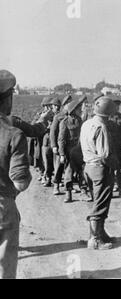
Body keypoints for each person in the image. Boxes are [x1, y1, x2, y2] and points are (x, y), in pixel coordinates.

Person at [0, 70, 32, 278]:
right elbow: (20, 183)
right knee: (6, 263)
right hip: (3, 206)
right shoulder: (13, 134)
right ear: (7, 98)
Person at [80, 96, 118, 250]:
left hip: (88, 167)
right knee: (100, 204)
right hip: (100, 168)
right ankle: (95, 240)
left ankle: (100, 233)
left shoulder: (87, 124)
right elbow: (105, 155)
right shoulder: (101, 127)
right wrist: (115, 165)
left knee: (97, 201)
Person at [58, 97, 84, 203]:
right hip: (69, 151)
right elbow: (61, 139)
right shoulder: (64, 122)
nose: (80, 110)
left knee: (82, 171)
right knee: (69, 171)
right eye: (78, 109)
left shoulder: (80, 120)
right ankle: (68, 193)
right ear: (73, 110)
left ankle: (84, 190)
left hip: (79, 149)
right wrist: (62, 154)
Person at [50, 95, 73, 195]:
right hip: (61, 146)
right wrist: (54, 145)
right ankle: (56, 185)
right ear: (64, 104)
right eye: (68, 102)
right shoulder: (58, 116)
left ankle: (68, 187)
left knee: (70, 167)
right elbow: (53, 132)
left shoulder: (72, 115)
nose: (70, 104)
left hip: (71, 146)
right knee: (59, 166)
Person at [41, 97, 61, 187]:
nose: (55, 108)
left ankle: (56, 181)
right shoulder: (44, 115)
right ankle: (48, 178)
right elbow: (38, 125)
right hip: (47, 141)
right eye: (54, 106)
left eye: (57, 106)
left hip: (56, 142)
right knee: (48, 163)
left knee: (56, 163)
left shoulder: (60, 116)